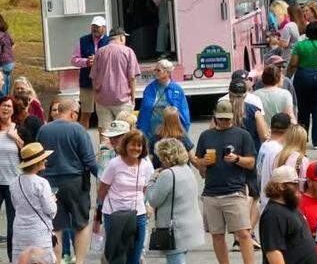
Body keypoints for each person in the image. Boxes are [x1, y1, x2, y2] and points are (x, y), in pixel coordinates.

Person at [193, 100, 257, 264]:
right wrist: (203, 163)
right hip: (211, 193)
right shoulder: (206, 136)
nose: (224, 122)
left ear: (233, 117)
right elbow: (200, 167)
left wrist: (236, 159)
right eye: (221, 119)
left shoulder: (242, 135)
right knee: (217, 235)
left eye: (227, 119)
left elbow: (251, 163)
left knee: (243, 233)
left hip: (235, 192)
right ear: (215, 117)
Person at [37, 99, 97, 263]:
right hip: (75, 183)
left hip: (50, 183)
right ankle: (79, 261)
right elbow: (89, 160)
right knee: (81, 224)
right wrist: (105, 178)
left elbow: (38, 157)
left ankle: (56, 260)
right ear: (73, 112)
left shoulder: (44, 130)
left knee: (55, 226)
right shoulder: (77, 129)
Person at [95, 129, 153, 264]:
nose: (136, 148)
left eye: (139, 145)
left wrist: (145, 205)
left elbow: (146, 189)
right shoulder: (114, 164)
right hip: (114, 214)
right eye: (133, 144)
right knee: (117, 257)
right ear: (125, 145)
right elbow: (102, 191)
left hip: (138, 214)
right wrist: (98, 214)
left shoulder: (145, 165)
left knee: (135, 257)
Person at [146, 137, 206, 264]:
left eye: (161, 157)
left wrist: (152, 180)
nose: (160, 160)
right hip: (189, 227)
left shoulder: (167, 174)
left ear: (166, 156)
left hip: (175, 230)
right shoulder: (187, 170)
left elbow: (153, 200)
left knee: (176, 261)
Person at [259, 166, 317, 264]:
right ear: (281, 186)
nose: (298, 187)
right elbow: (273, 252)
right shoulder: (273, 215)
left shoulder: (290, 206)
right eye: (294, 184)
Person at [11, 143, 57, 264]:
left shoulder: (14, 183)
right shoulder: (41, 183)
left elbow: (16, 206)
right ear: (37, 163)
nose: (45, 160)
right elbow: (51, 210)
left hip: (20, 231)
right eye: (43, 159)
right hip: (38, 232)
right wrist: (53, 200)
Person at [90, 28, 140, 131]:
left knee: (105, 133)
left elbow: (93, 77)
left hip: (102, 99)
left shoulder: (100, 52)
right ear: (121, 37)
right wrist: (133, 98)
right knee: (124, 132)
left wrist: (96, 96)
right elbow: (132, 77)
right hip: (122, 99)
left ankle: (105, 147)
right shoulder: (128, 51)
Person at [138, 59, 190, 142]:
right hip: (152, 132)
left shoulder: (177, 89)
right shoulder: (149, 88)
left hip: (171, 132)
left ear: (167, 72)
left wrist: (184, 130)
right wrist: (140, 129)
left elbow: (183, 111)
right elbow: (143, 111)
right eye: (155, 70)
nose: (155, 72)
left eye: (158, 70)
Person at [0, 97, 23, 261]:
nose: (5, 109)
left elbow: (29, 152)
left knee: (12, 224)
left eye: (9, 106)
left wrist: (15, 138)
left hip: (13, 184)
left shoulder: (19, 129)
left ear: (13, 110)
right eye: (2, 105)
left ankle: (12, 258)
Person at [256, 113, 292, 211]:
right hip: (275, 205)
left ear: (270, 127)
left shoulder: (264, 146)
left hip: (264, 202)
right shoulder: (278, 150)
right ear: (289, 129)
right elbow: (281, 179)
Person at [274, 125, 311, 189]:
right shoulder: (302, 159)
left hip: (280, 195)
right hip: (294, 196)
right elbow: (303, 184)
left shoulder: (278, 156)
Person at [267, 0, 300, 66]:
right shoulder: (291, 24)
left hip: (288, 59)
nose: (273, 17)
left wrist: (275, 41)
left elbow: (284, 44)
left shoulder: (287, 27)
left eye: (274, 14)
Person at [0, 15, 13, 97]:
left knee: (1, 85)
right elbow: (12, 43)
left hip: (3, 63)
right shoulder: (6, 33)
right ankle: (7, 98)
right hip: (10, 62)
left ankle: (2, 101)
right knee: (7, 81)